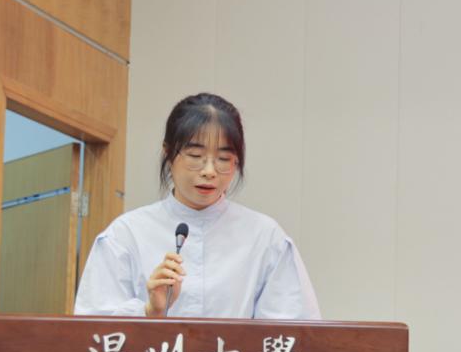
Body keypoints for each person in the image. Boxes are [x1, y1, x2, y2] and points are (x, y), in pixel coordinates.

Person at [74, 93, 320, 320]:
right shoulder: (125, 235)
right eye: (195, 156)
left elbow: (293, 333)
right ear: (168, 154)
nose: (209, 171)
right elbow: (93, 332)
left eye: (223, 159)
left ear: (237, 161)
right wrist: (150, 312)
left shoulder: (266, 237)